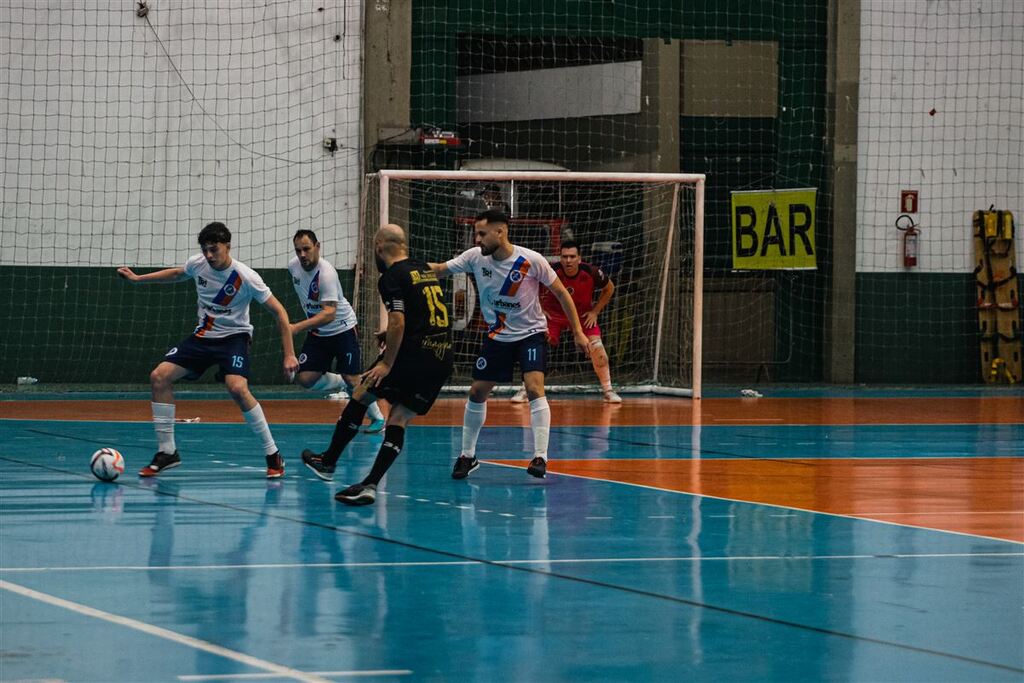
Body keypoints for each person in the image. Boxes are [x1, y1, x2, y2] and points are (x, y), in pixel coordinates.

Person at [117, 221, 299, 478]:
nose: (210, 255)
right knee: (159, 377)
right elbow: (178, 274)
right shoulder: (198, 264)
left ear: (228, 246)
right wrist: (138, 279)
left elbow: (280, 312)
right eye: (205, 250)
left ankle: (273, 455)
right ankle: (167, 452)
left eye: (214, 249)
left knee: (237, 387)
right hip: (202, 338)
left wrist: (289, 353)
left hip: (234, 339)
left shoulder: (246, 278)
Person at [429, 209, 591, 480]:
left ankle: (540, 457)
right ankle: (468, 456)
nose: (477, 238)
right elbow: (441, 270)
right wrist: (407, 267)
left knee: (533, 387)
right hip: (498, 336)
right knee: (477, 392)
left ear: (500, 232)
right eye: (476, 233)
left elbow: (562, 294)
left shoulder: (531, 260)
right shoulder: (474, 257)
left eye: (482, 233)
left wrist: (578, 331)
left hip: (531, 333)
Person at [301, 224, 454, 505]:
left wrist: (386, 363)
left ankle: (328, 462)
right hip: (442, 355)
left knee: (361, 394)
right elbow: (422, 310)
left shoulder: (391, 276)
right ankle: (370, 485)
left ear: (380, 246)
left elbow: (398, 319)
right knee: (399, 419)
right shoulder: (423, 268)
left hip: (413, 354)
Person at [287, 229, 386, 433]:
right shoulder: (293, 267)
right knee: (305, 379)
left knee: (353, 381)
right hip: (318, 333)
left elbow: (329, 314)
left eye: (306, 249)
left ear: (317, 247)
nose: (302, 255)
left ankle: (377, 417)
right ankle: (341, 380)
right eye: (298, 251)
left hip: (342, 329)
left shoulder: (327, 274)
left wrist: (296, 327)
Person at [511, 240, 622, 403]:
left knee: (598, 348)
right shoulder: (550, 270)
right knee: (535, 345)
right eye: (564, 257)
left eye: (572, 257)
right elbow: (529, 286)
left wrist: (595, 311)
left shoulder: (591, 272)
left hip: (582, 316)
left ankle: (608, 390)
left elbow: (609, 288)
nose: (568, 261)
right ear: (560, 258)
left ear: (579, 258)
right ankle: (525, 389)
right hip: (553, 316)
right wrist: (540, 308)